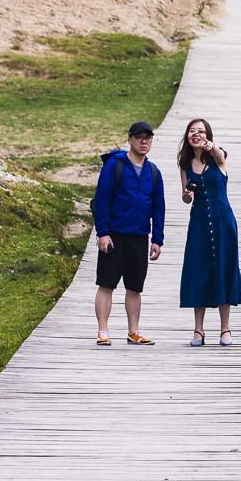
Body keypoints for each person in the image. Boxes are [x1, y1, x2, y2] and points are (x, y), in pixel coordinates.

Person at [92, 121, 166, 346]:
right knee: (107, 284)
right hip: (114, 234)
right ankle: (103, 331)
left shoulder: (153, 172)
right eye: (139, 137)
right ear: (130, 139)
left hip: (139, 236)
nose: (144, 142)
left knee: (135, 286)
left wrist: (157, 239)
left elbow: (158, 206)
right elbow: (101, 200)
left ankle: (133, 332)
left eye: (148, 138)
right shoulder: (114, 165)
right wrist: (103, 233)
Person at [177, 118, 241, 347]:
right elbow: (185, 197)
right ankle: (198, 330)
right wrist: (187, 194)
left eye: (201, 131)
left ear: (208, 135)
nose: (196, 134)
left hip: (223, 219)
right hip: (199, 223)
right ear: (187, 136)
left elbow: (220, 156)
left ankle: (225, 329)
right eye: (192, 131)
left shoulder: (218, 156)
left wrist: (212, 146)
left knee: (224, 269)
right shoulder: (185, 164)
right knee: (198, 271)